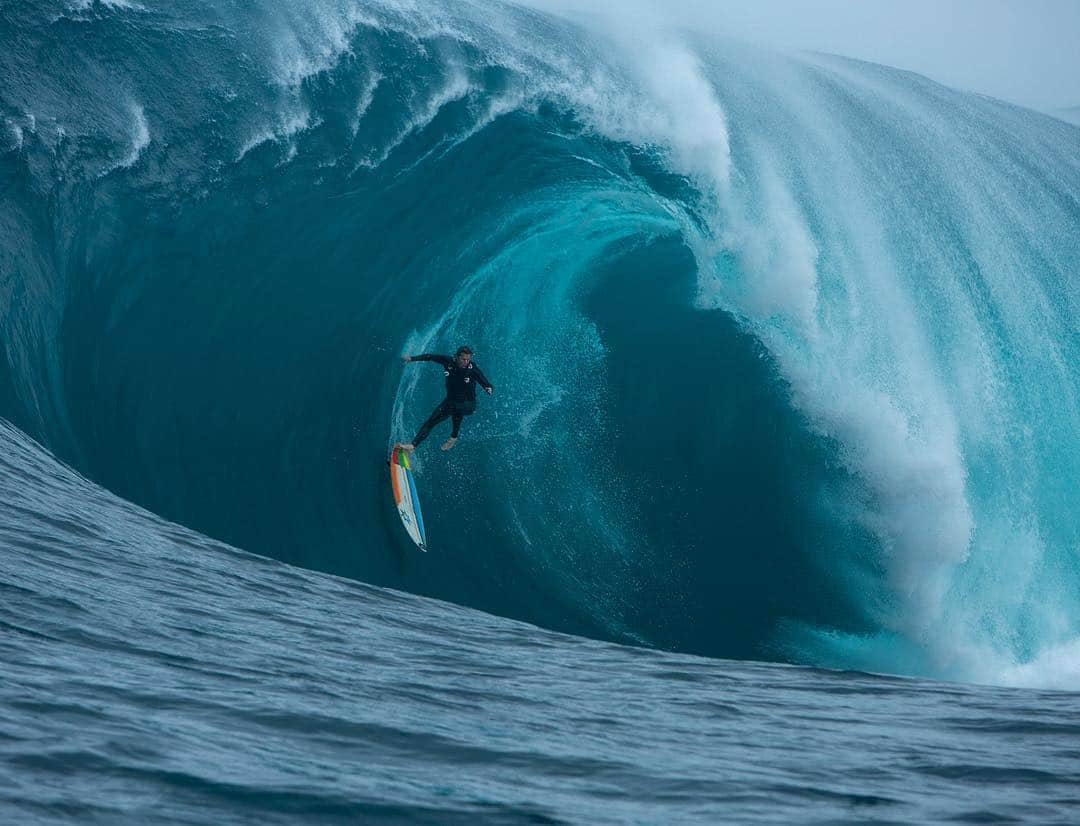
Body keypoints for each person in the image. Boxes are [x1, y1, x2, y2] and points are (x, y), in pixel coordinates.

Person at [398, 346, 493, 452]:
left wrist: (488, 388)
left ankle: (453, 436)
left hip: (469, 404)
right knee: (431, 421)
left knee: (457, 408)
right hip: (451, 402)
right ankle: (413, 446)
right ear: (457, 357)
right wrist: (411, 359)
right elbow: (430, 357)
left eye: (468, 359)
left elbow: (484, 380)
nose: (466, 362)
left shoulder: (472, 369)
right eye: (463, 359)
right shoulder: (448, 361)